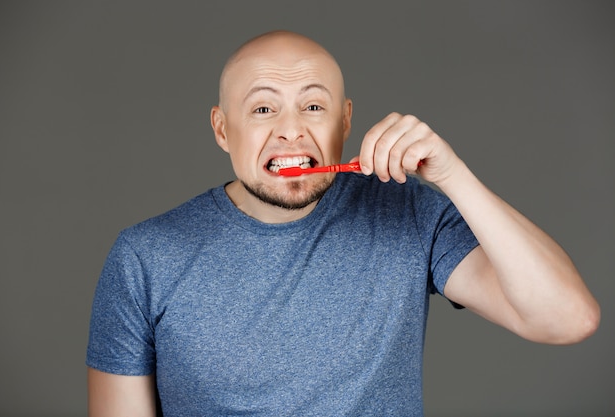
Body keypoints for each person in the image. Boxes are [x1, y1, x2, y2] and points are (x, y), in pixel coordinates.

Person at [86, 30, 600, 416]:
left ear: (345, 121)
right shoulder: (144, 257)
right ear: (223, 129)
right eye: (263, 108)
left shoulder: (409, 213)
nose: (291, 130)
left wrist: (453, 176)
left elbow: (568, 319)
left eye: (313, 105)